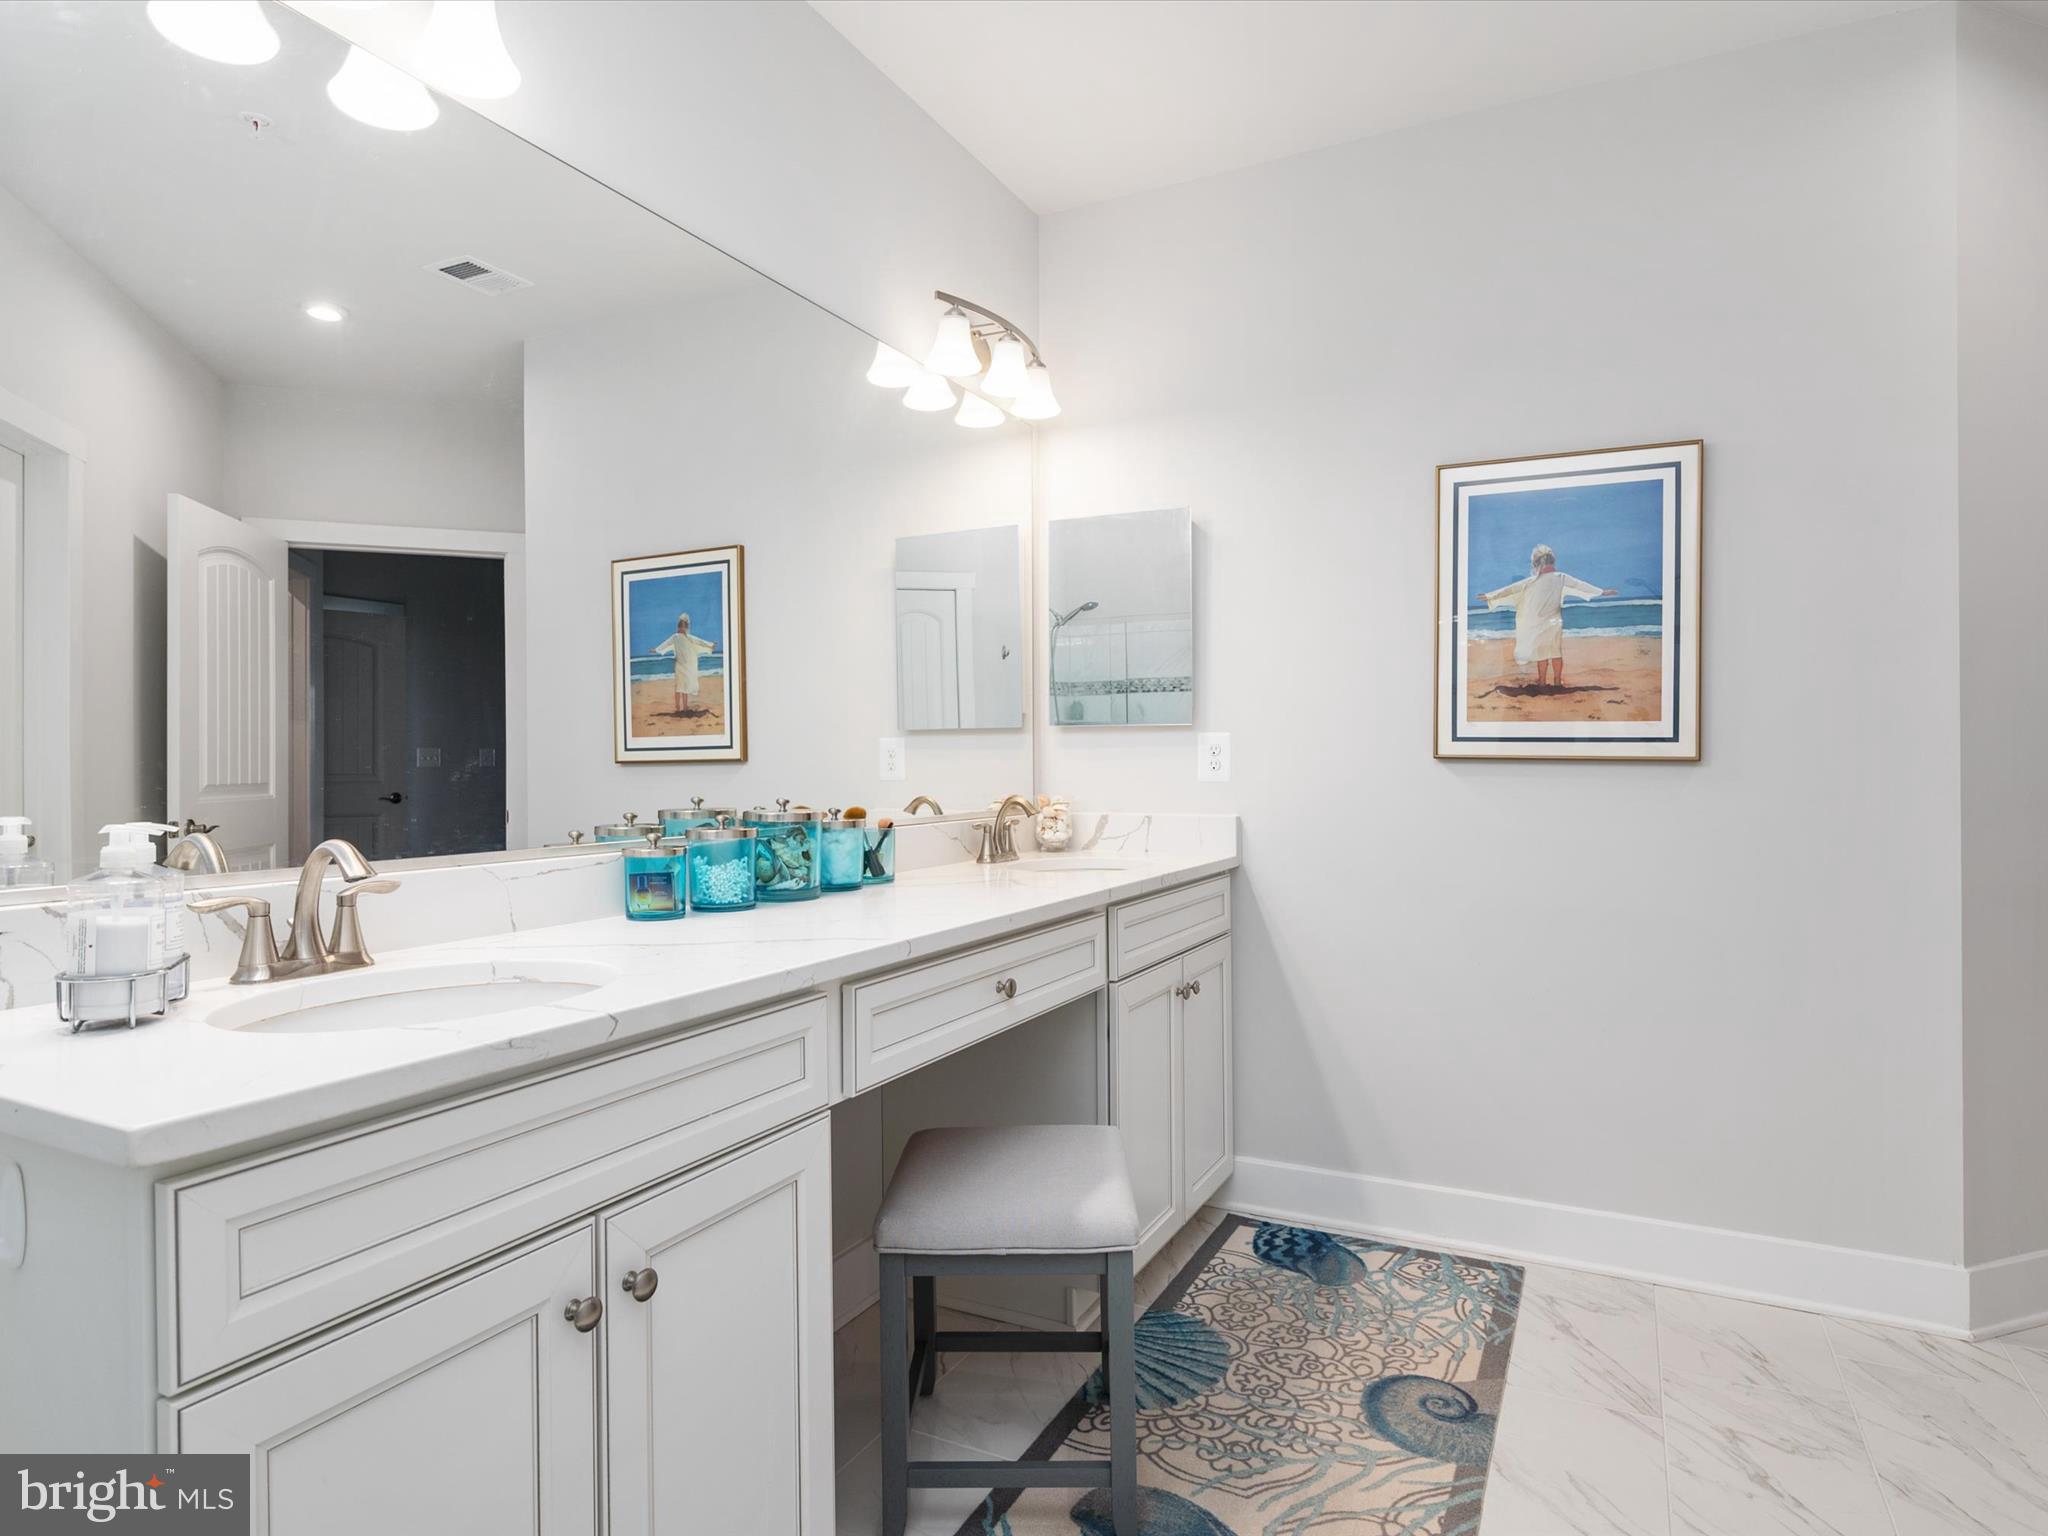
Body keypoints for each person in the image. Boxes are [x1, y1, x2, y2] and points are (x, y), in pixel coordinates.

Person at [1476, 544, 1615, 688]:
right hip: (1554, 621)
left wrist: (1490, 596)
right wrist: (1601, 592)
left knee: (1541, 653)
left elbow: (1510, 590)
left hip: (1538, 622)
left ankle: (1542, 681)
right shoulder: (1561, 577)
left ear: (1536, 564)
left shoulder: (1531, 581)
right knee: (1555, 651)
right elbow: (1580, 585)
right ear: (1552, 561)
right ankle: (1556, 681)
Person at [653, 612, 717, 716]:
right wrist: (656, 650)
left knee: (685, 687)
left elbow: (699, 642)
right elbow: (666, 644)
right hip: (679, 665)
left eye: (683, 627)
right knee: (679, 687)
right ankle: (678, 707)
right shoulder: (675, 637)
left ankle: (685, 707)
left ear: (686, 628)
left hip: (687, 666)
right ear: (678, 627)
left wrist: (710, 645)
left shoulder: (689, 638)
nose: (681, 629)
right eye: (680, 626)